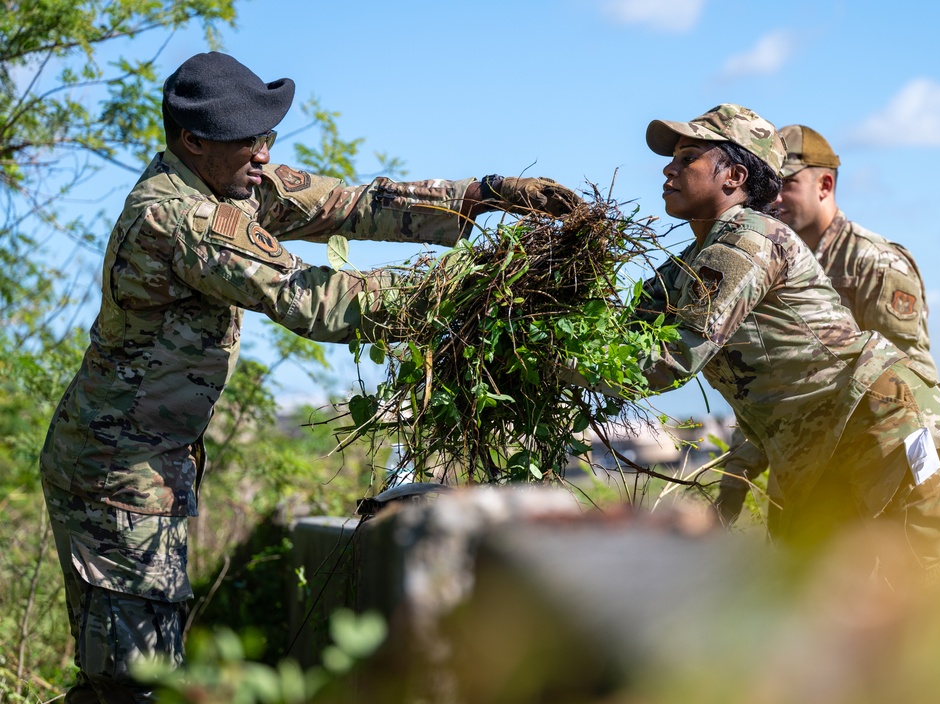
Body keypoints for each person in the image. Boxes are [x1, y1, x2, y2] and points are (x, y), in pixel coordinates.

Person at [38, 51, 580, 703]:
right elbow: (307, 295)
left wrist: (484, 194)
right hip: (116, 471)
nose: (265, 155)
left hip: (151, 463)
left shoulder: (231, 178)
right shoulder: (181, 215)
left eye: (268, 138)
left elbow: (351, 204)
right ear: (194, 140)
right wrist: (460, 295)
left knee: (135, 670)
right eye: (250, 140)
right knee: (131, 683)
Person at [636, 103, 940, 570]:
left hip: (876, 427)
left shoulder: (750, 240)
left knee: (935, 579)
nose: (668, 168)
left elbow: (665, 360)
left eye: (687, 157)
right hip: (810, 448)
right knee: (823, 605)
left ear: (733, 176)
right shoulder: (692, 262)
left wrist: (556, 362)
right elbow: (621, 331)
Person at [714, 124, 940, 530]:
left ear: (824, 184)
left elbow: (910, 383)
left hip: (889, 452)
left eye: (787, 184)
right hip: (812, 461)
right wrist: (735, 476)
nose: (771, 199)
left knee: (920, 572)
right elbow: (778, 389)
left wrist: (924, 485)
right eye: (768, 185)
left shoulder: (874, 263)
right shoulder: (767, 265)